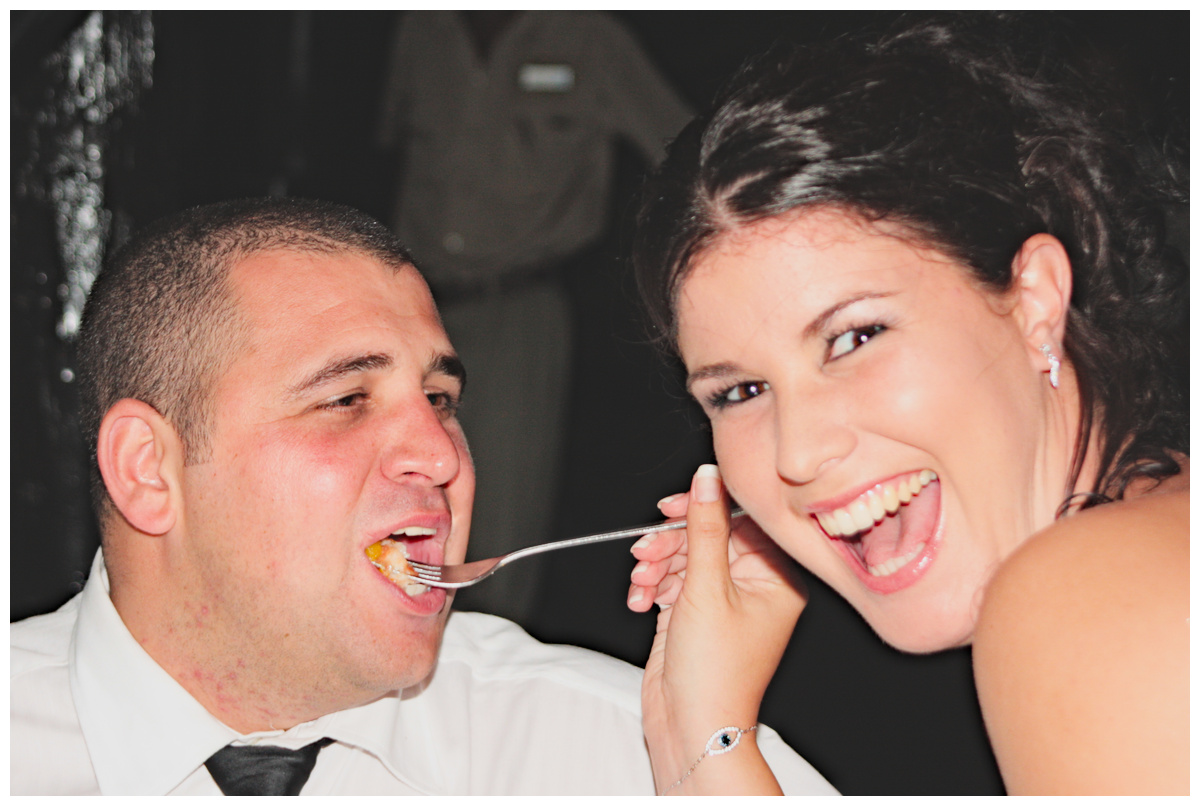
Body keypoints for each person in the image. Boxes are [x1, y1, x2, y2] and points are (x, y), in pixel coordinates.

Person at [9, 197, 837, 795]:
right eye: (345, 400)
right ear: (147, 470)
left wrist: (704, 746)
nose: (442, 456)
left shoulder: (636, 750)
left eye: (440, 400)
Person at [625, 14, 1188, 796]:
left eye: (854, 338)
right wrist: (697, 724)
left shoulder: (1081, 594)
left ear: (1033, 302)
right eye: (741, 392)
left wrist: (702, 736)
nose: (797, 454)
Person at [376, 11, 692, 625]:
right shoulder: (423, 29)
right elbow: (385, 150)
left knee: (500, 520)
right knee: (400, 495)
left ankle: (487, 670)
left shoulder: (587, 39)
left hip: (519, 305)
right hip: (414, 310)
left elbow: (680, 148)